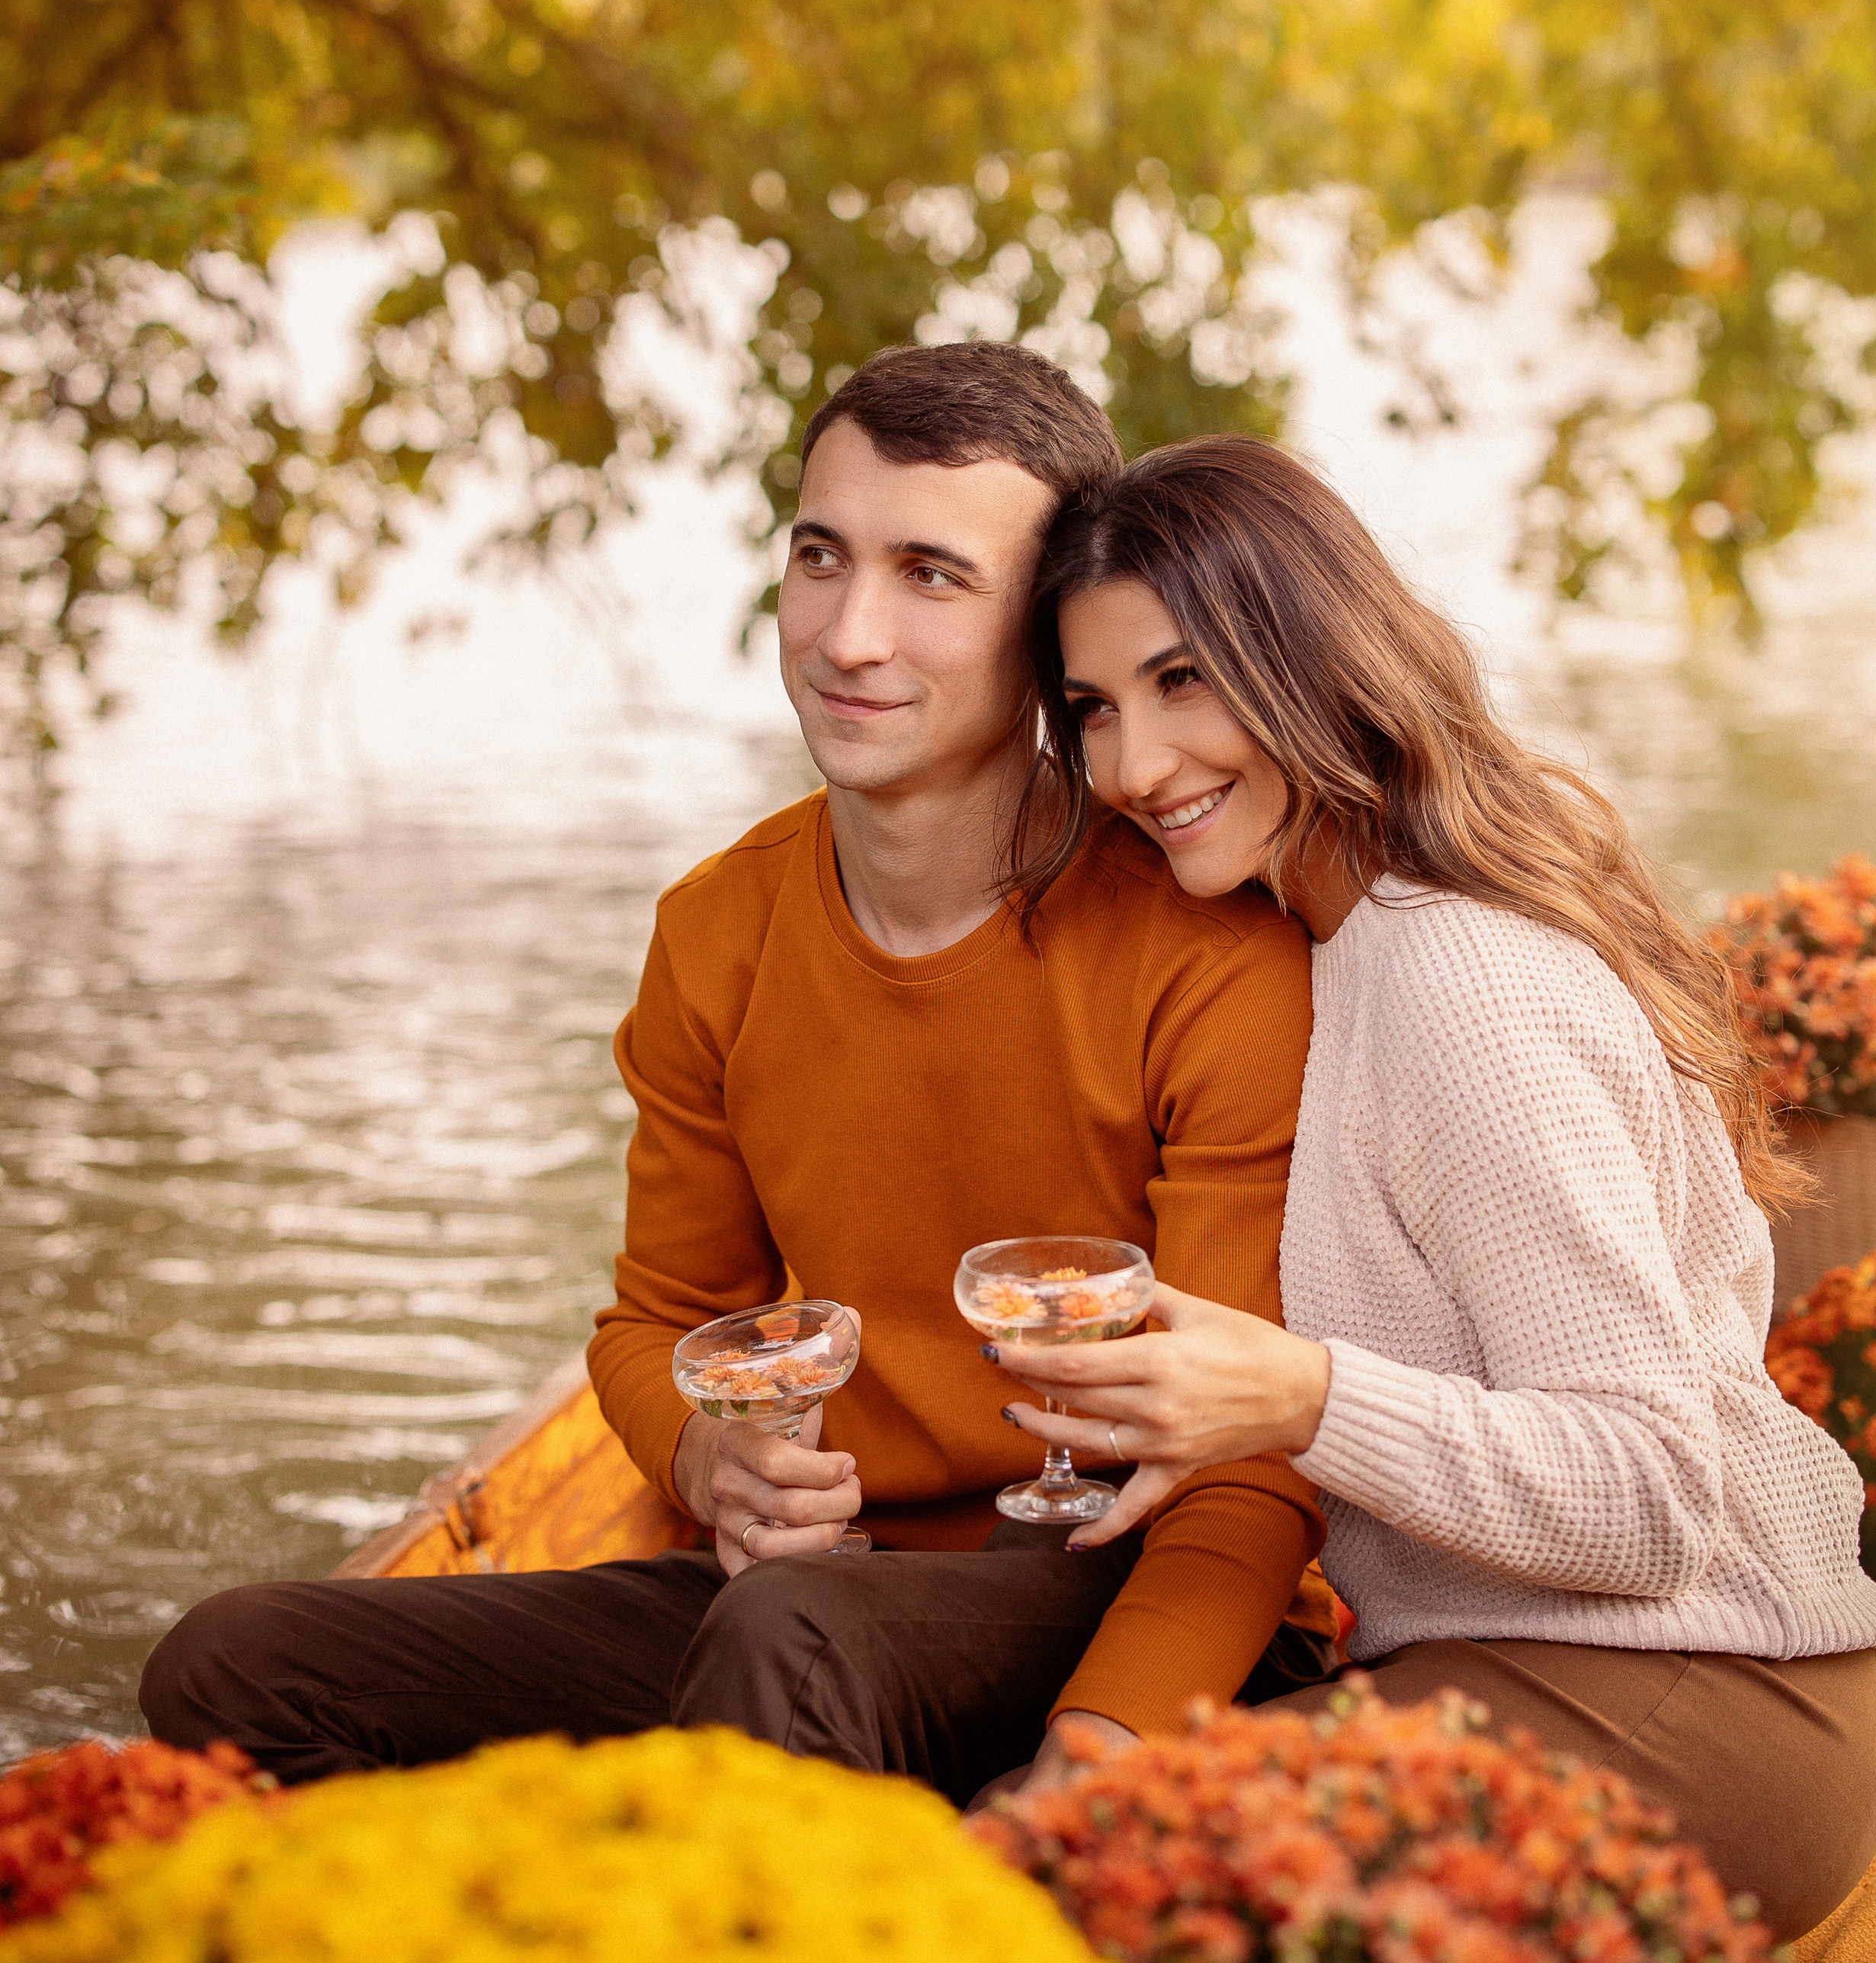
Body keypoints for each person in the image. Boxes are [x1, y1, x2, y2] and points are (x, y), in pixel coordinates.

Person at [141, 348, 1330, 1803]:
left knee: (791, 1633)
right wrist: (712, 1468)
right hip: (807, 1589)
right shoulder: (718, 930)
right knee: (228, 1666)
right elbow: (656, 1322)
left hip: (1120, 1599)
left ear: (1047, 630)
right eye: (820, 558)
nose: (848, 635)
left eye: (931, 578)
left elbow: (1245, 1468)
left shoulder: (1211, 958)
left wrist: (1093, 1764)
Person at [989, 434, 1876, 1936]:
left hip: (1703, 1700)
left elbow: (1651, 1496)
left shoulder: (1455, 984)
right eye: (1089, 711)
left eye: (1180, 683)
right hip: (1530, 1667)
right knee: (1036, 1843)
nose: (1129, 768)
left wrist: (1296, 1399)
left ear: (1307, 659)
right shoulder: (1333, 944)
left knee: (1064, 1885)